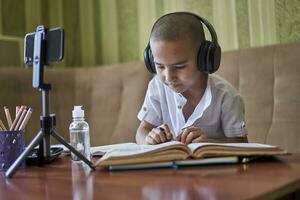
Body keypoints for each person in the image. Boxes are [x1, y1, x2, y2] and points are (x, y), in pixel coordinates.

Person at [136, 12, 248, 145]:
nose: (169, 76)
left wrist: (208, 143)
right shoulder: (157, 88)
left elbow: (241, 143)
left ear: (205, 59)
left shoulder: (227, 96)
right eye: (160, 66)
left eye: (179, 66)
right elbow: (142, 131)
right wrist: (149, 139)